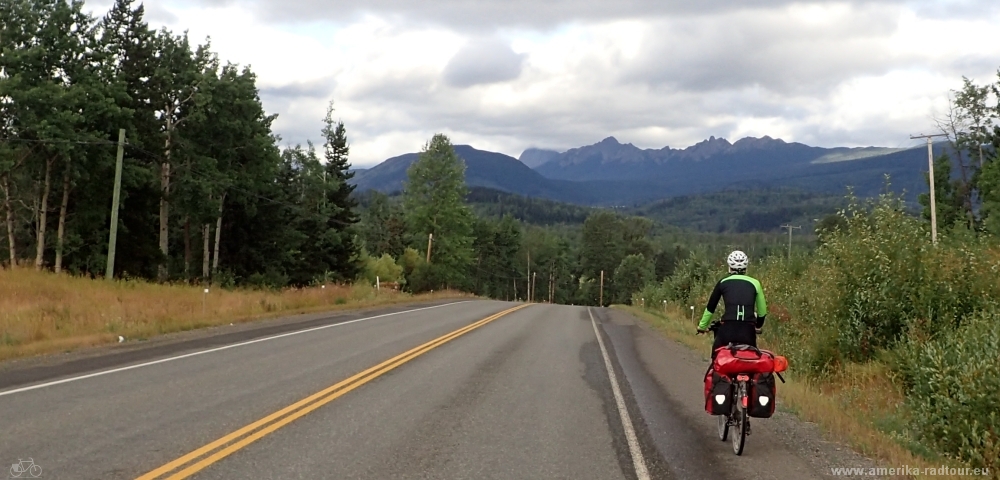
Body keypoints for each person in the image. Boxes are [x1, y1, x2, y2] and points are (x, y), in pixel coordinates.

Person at [695, 250, 768, 358]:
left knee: (717, 356)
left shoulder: (723, 282)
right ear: (746, 268)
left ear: (729, 267)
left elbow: (711, 308)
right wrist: (758, 325)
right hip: (748, 331)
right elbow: (762, 312)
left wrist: (702, 326)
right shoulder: (755, 283)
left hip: (727, 329)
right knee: (752, 358)